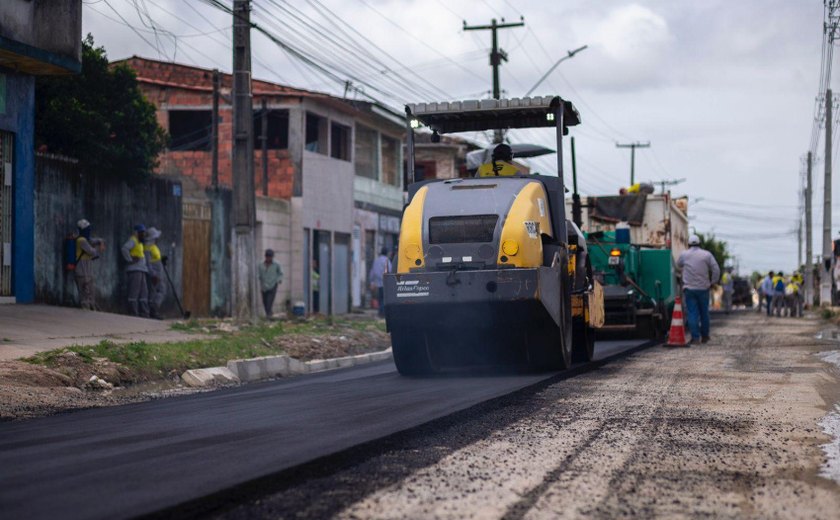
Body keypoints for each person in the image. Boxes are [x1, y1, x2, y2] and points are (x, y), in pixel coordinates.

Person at [677, 234, 720, 344]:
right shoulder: (706, 255)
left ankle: (695, 338)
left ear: (688, 244)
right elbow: (716, 269)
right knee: (704, 313)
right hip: (703, 288)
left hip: (689, 289)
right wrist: (713, 282)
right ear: (700, 244)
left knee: (692, 313)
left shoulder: (684, 255)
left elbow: (678, 264)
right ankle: (705, 336)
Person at [121, 224, 149, 318]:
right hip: (135, 269)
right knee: (134, 292)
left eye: (144, 232)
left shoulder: (139, 242)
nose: (143, 234)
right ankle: (134, 313)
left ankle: (144, 313)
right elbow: (124, 249)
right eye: (142, 233)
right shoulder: (133, 240)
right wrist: (130, 259)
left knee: (143, 292)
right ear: (137, 233)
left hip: (141, 269)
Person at [74, 219, 100, 310]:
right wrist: (97, 247)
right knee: (85, 294)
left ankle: (91, 309)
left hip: (87, 271)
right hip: (82, 270)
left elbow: (93, 240)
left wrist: (98, 241)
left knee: (91, 292)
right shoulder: (81, 240)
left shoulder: (84, 239)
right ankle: (86, 311)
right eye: (87, 229)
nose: (89, 231)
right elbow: (91, 251)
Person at [144, 227, 166, 320]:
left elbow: (156, 257)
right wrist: (153, 274)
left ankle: (153, 310)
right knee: (159, 291)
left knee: (157, 291)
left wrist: (162, 259)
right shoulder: (147, 248)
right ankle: (153, 310)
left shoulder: (153, 246)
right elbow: (148, 263)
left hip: (159, 272)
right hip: (155, 274)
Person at [258, 249, 283, 319]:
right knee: (265, 302)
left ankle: (268, 316)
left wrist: (279, 280)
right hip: (264, 286)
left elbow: (280, 273)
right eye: (268, 257)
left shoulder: (276, 264)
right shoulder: (260, 264)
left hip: (273, 285)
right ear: (265, 257)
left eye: (270, 257)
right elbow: (258, 274)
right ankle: (269, 314)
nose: (269, 259)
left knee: (269, 301)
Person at [369, 247, 392, 317]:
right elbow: (390, 271)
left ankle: (380, 312)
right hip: (385, 283)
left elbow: (372, 272)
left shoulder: (376, 260)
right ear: (387, 253)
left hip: (377, 284)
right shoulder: (387, 261)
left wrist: (372, 282)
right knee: (384, 299)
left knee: (379, 298)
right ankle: (382, 313)